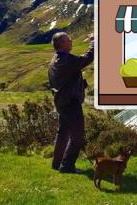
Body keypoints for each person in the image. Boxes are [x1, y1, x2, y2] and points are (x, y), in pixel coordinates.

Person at [48, 31, 95, 174]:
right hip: (70, 102)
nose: (71, 41)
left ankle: (57, 164)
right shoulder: (65, 60)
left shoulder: (55, 60)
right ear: (62, 43)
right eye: (68, 40)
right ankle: (67, 166)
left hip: (62, 102)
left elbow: (67, 79)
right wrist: (94, 41)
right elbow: (87, 58)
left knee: (63, 133)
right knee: (77, 135)